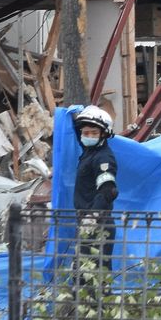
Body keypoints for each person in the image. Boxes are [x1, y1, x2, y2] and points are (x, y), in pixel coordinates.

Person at [72, 105, 120, 266]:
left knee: (94, 276)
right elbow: (78, 131)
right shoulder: (89, 152)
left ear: (103, 135)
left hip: (97, 225)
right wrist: (73, 116)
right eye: (86, 133)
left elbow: (108, 190)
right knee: (81, 274)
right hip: (86, 222)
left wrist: (92, 216)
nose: (89, 136)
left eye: (94, 133)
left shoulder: (103, 158)